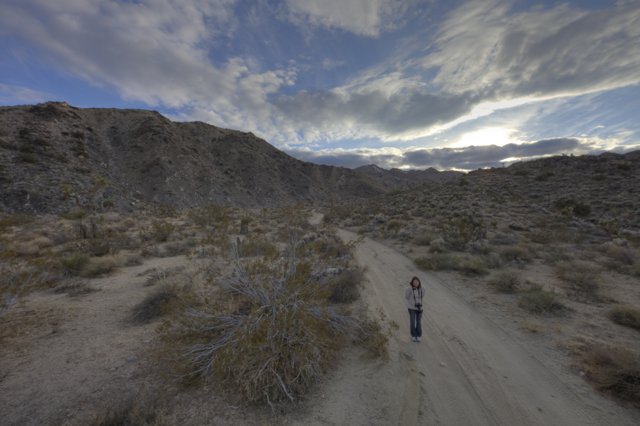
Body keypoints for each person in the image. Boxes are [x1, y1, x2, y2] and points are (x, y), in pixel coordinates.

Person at [405, 276, 424, 342]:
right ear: (412, 282)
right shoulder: (409, 289)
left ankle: (418, 336)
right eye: (414, 282)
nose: (416, 283)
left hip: (419, 308)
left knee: (419, 322)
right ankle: (413, 335)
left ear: (419, 282)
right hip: (411, 308)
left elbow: (422, 296)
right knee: (412, 322)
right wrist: (411, 302)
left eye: (417, 282)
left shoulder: (422, 289)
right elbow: (406, 297)